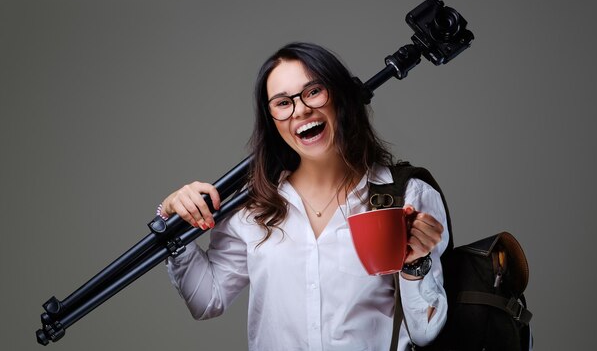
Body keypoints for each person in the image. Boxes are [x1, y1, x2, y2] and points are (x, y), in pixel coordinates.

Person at [159, 42, 449, 350]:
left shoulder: (405, 195)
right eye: (283, 103)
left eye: (313, 92)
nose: (300, 110)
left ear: (340, 97)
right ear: (271, 119)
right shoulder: (250, 205)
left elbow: (425, 333)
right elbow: (207, 300)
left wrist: (416, 265)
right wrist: (173, 220)